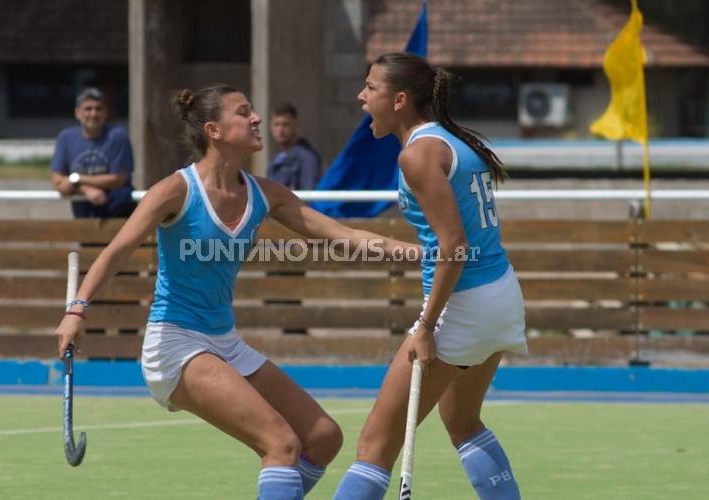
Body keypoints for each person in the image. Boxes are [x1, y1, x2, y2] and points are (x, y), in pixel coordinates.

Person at [55, 85, 416, 499]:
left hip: (224, 342)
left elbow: (345, 235)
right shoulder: (175, 191)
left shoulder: (264, 193)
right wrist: (76, 310)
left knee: (323, 438)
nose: (257, 118)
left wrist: (428, 255)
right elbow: (117, 250)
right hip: (175, 345)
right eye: (244, 112)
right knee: (280, 445)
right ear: (215, 130)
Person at [332, 53, 527, 500]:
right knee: (462, 422)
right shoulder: (455, 142)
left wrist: (424, 325)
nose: (362, 97)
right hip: (500, 293)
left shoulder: (417, 155)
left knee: (375, 446)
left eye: (371, 88)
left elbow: (453, 245)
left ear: (399, 99)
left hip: (461, 303)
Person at [50, 87, 137, 218]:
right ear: (77, 113)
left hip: (118, 209)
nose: (93, 114)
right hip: (84, 210)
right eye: (88, 109)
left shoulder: (117, 136)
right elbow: (57, 180)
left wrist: (76, 179)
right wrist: (85, 190)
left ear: (106, 113)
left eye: (98, 108)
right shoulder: (66, 137)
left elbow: (118, 179)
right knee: (86, 237)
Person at [267, 103, 321, 190]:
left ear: (296, 125)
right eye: (276, 124)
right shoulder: (275, 159)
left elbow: (309, 194)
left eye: (285, 124)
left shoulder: (307, 157)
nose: (280, 130)